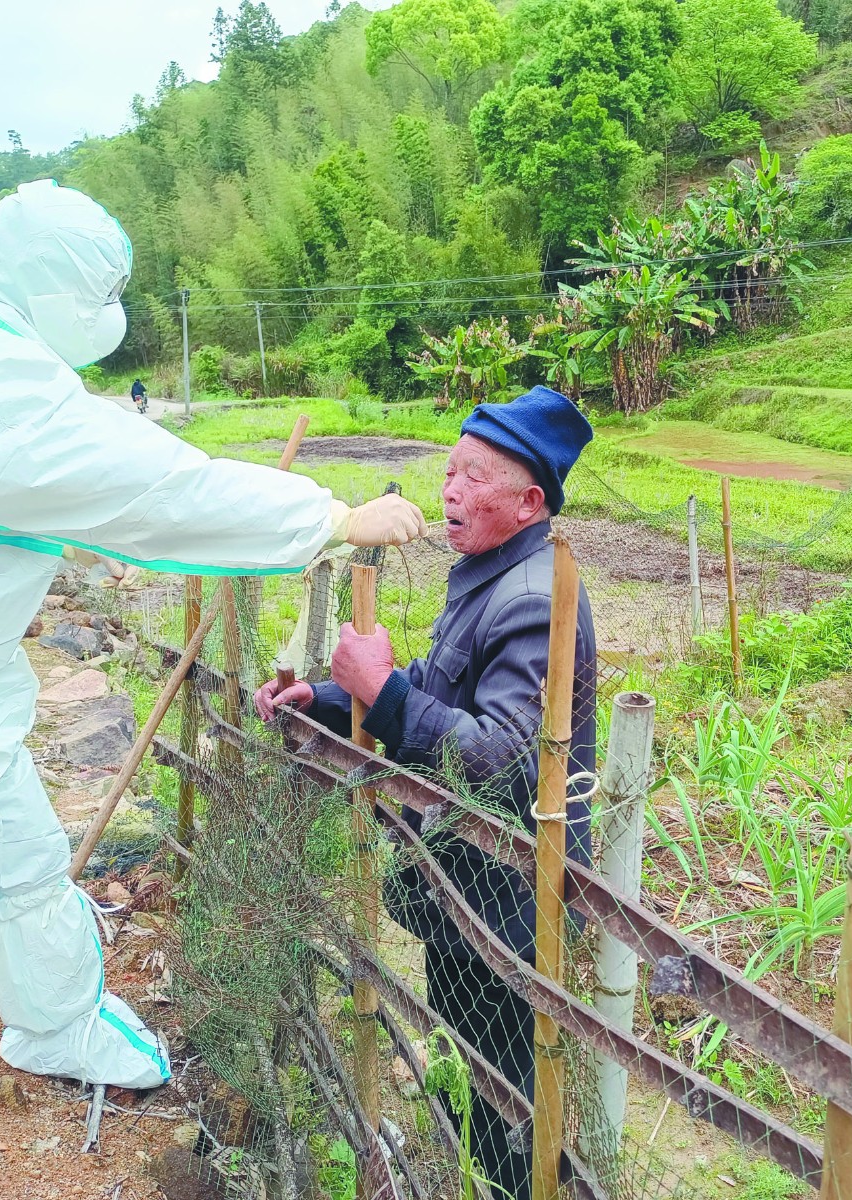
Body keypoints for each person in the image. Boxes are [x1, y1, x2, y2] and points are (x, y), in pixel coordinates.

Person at [0, 180, 425, 1158]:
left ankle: (54, 1021)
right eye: (98, 289)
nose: (113, 311)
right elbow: (154, 490)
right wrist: (329, 519)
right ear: (48, 287)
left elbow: (110, 451)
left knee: (21, 862)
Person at [255, 386, 597, 1200]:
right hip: (461, 884)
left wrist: (387, 693)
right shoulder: (490, 570)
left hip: (512, 901)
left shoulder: (535, 601)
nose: (448, 489)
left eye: (474, 477)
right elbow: (437, 686)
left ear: (528, 501)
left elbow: (499, 758)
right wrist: (336, 700)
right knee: (466, 1054)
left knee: (510, 1093)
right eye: (448, 470)